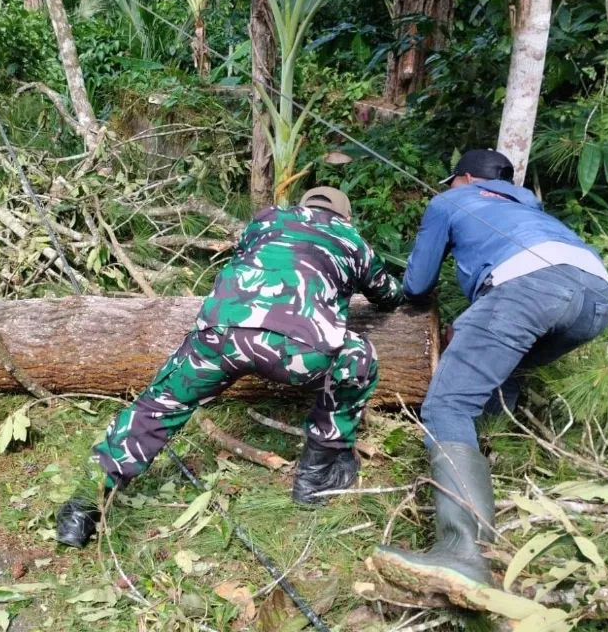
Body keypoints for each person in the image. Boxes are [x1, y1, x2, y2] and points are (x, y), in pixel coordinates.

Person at [55, 187, 403, 548]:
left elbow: (244, 256)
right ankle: (316, 476)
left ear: (302, 207)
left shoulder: (268, 219)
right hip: (300, 351)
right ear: (344, 217)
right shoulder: (352, 240)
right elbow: (387, 295)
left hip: (219, 336)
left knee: (158, 405)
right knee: (359, 356)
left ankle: (81, 508)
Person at [375, 149, 608, 589]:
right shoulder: (529, 207)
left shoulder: (452, 200)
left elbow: (417, 285)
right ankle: (501, 457)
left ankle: (463, 551)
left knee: (447, 407)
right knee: (501, 372)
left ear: (464, 178)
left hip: (526, 288)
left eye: (452, 181)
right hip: (596, 297)